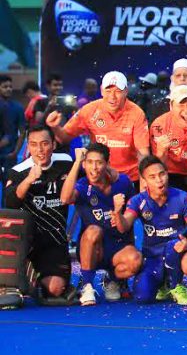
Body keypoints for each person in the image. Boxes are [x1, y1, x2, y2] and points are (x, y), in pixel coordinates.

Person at [112, 155, 187, 305]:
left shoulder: (183, 197)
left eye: (162, 174)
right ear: (144, 181)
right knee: (142, 297)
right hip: (153, 256)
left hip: (177, 251)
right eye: (152, 177)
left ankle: (176, 285)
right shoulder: (138, 201)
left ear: (167, 174)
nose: (159, 180)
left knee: (173, 245)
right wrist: (117, 212)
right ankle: (163, 284)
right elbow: (124, 226)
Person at [61, 144, 141, 305]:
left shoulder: (123, 183)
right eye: (89, 162)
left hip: (117, 246)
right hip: (92, 248)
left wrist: (119, 216)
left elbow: (131, 218)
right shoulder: (83, 186)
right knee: (93, 231)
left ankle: (112, 280)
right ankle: (87, 285)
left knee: (136, 260)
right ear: (84, 164)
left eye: (99, 162)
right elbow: (65, 198)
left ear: (107, 164)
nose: (94, 168)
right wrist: (77, 163)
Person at [3, 125, 75, 303]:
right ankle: (21, 274)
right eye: (34, 144)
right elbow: (9, 204)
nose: (40, 150)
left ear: (53, 145)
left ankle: (30, 281)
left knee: (55, 289)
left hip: (54, 241)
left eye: (44, 144)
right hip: (26, 241)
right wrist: (29, 180)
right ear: (28, 146)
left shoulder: (65, 163)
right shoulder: (19, 171)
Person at [47, 71, 151, 184]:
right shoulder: (89, 110)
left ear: (126, 91)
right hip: (99, 177)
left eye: (118, 91)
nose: (112, 96)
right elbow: (64, 138)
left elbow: (143, 154)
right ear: (101, 90)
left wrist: (144, 185)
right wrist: (55, 127)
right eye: (108, 90)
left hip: (130, 179)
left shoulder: (137, 113)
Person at [0, 75, 25, 177]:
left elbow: (22, 131)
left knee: (9, 186)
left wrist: (16, 151)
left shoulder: (18, 107)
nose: (8, 89)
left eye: (10, 86)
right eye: (5, 87)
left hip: (9, 154)